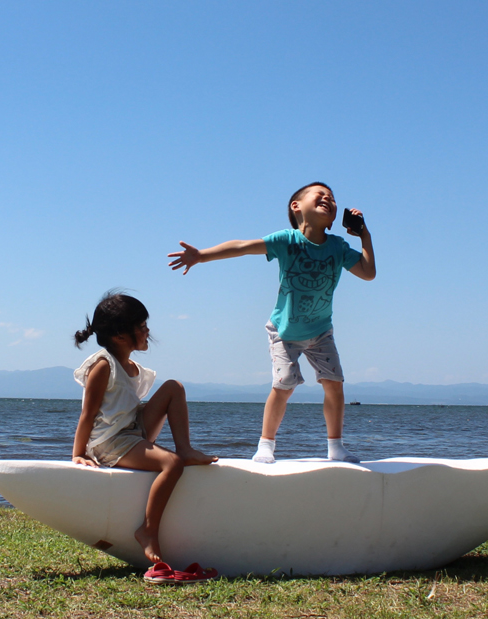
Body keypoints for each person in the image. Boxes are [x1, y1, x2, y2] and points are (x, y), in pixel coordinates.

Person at [167, 182, 375, 463]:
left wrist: (364, 235)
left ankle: (335, 447)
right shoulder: (287, 241)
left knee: (334, 384)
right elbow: (241, 247)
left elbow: (368, 272)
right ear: (296, 207)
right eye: (320, 195)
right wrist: (201, 255)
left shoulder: (338, 246)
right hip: (284, 330)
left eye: (333, 198)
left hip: (320, 331)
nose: (329, 199)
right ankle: (266, 444)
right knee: (284, 384)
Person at [72, 291, 218, 581]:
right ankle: (147, 529)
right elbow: (87, 415)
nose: (147, 331)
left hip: (132, 429)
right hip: (111, 441)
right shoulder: (102, 366)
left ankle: (185, 448)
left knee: (174, 387)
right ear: (120, 335)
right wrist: (78, 454)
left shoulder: (131, 367)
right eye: (141, 326)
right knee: (171, 464)